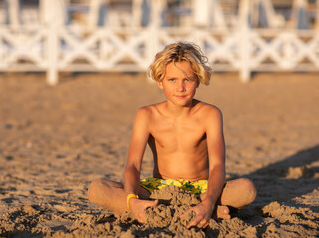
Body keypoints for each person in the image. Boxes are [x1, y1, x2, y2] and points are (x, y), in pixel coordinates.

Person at [88, 41, 256, 229]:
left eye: (187, 80)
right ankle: (204, 211)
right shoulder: (147, 115)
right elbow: (133, 165)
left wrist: (208, 201)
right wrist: (132, 199)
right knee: (97, 190)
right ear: (160, 82)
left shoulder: (210, 114)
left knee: (246, 189)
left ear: (198, 80)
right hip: (158, 190)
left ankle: (193, 209)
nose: (180, 87)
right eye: (172, 80)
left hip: (200, 189)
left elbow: (217, 166)